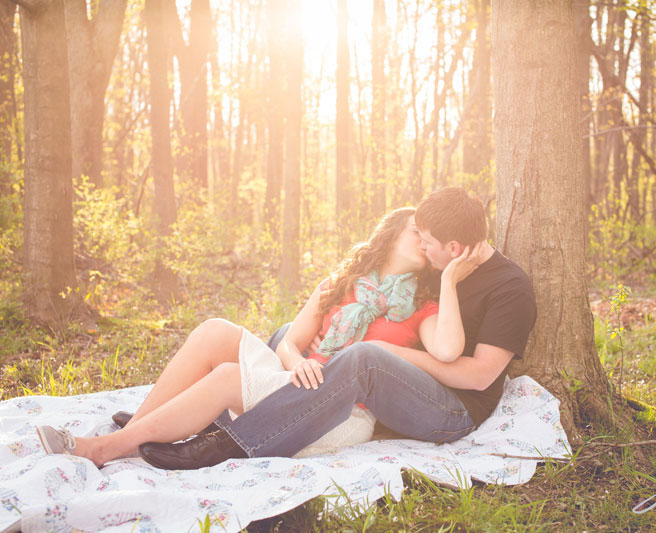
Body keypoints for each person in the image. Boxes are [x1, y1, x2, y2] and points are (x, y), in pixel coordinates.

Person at [36, 207, 475, 467]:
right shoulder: (343, 282)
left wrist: (452, 279)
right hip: (300, 379)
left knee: (229, 376)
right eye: (418, 230)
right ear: (393, 233)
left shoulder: (421, 307)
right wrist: (296, 360)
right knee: (214, 331)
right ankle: (141, 428)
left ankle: (104, 449)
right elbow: (290, 339)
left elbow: (449, 349)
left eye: (430, 238)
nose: (424, 240)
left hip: (340, 414)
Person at [134, 187, 537, 470]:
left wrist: (394, 353)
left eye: (427, 241)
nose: (422, 247)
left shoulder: (508, 287)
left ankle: (229, 440)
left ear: (454, 249)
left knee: (364, 358)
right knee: (288, 336)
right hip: (400, 387)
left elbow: (480, 376)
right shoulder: (430, 267)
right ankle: (163, 417)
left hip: (452, 409)